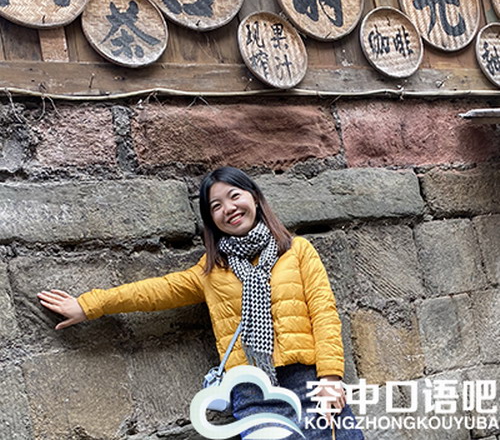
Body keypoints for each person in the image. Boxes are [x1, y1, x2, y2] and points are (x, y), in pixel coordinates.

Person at [37, 166, 364, 440]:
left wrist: (331, 378)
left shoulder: (297, 251)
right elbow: (155, 291)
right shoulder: (211, 271)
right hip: (250, 389)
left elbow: (324, 313)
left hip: (306, 378)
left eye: (234, 196)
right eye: (216, 206)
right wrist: (88, 305)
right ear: (211, 219)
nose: (228, 208)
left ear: (254, 197)